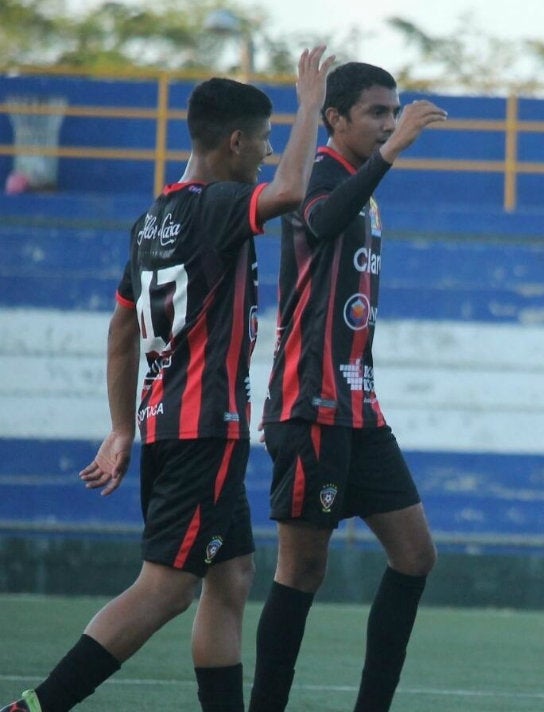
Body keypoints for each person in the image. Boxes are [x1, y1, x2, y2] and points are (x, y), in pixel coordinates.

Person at [1, 47, 334, 712]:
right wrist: (308, 109)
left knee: (231, 574)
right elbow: (294, 192)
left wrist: (122, 427)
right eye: (265, 141)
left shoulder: (153, 217)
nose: (270, 153)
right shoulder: (217, 206)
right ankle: (35, 708)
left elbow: (122, 329)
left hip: (168, 423)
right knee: (167, 588)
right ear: (235, 141)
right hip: (204, 428)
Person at [247, 62, 447, 712]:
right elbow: (325, 220)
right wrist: (391, 152)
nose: (389, 123)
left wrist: (382, 156)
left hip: (358, 408)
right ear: (335, 118)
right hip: (310, 407)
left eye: (393, 113)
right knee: (302, 569)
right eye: (376, 113)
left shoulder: (362, 182)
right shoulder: (317, 175)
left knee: (416, 556)